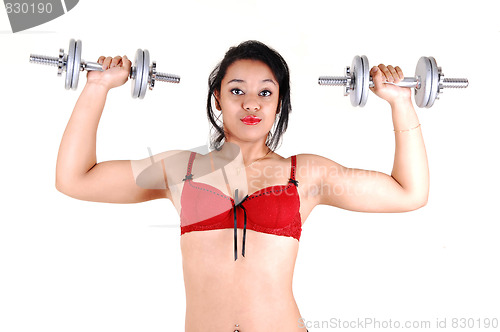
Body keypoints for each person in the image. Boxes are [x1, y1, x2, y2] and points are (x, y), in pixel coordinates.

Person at [55, 40, 429, 331]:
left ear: (279, 104)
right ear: (217, 98)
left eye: (266, 93)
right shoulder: (179, 170)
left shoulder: (308, 174)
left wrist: (400, 102)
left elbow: (409, 193)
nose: (251, 104)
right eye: (237, 91)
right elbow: (75, 179)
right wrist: (97, 87)